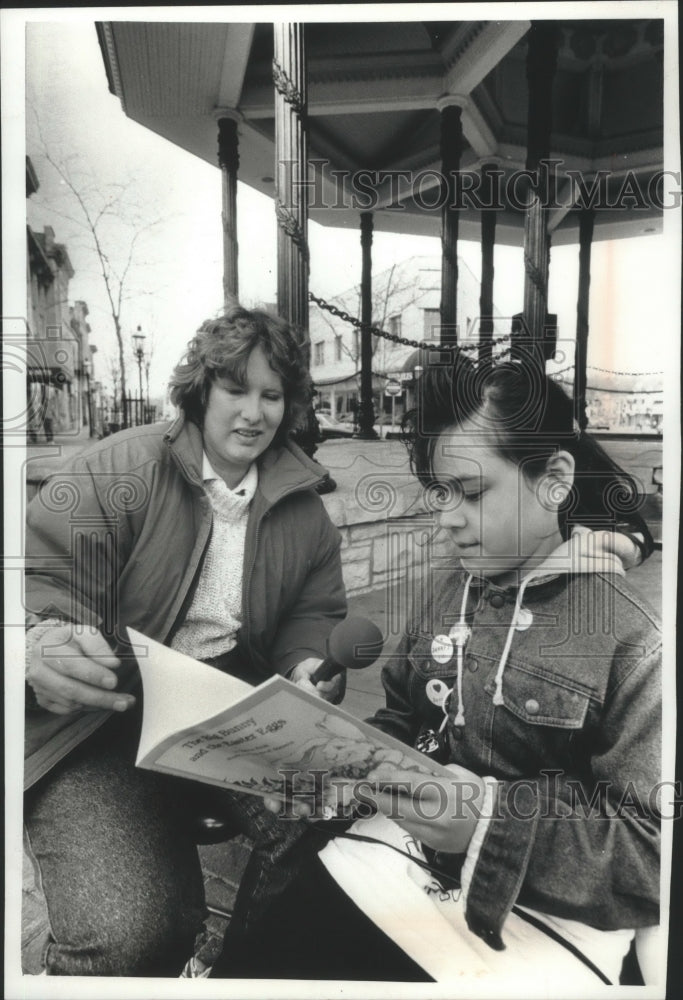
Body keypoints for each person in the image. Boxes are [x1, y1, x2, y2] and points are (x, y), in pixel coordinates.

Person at [209, 350, 660, 987]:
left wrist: (486, 822)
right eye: (439, 492)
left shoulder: (635, 639)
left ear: (555, 478)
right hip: (378, 869)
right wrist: (335, 750)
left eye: (471, 492)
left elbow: (650, 854)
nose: (447, 518)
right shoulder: (450, 591)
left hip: (525, 934)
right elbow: (402, 719)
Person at [23, 306, 347, 976]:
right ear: (202, 389)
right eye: (235, 388)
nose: (252, 413)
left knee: (330, 817)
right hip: (97, 720)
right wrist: (40, 641)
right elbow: (40, 582)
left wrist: (310, 664)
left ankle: (238, 971)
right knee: (131, 935)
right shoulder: (118, 469)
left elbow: (310, 617)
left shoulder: (304, 509)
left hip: (225, 707)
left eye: (271, 394)